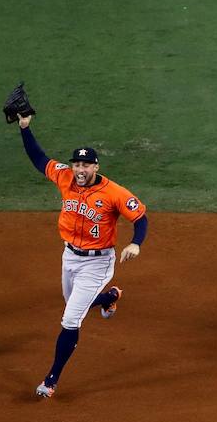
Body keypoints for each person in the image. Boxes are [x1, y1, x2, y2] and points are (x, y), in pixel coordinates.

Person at [17, 114, 148, 397]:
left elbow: (140, 217)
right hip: (70, 256)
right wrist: (24, 128)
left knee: (70, 319)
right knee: (73, 302)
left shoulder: (113, 192)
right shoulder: (65, 177)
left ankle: (51, 380)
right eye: (77, 163)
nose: (80, 169)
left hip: (98, 262)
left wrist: (136, 243)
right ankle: (110, 297)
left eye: (86, 164)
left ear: (95, 166)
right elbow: (39, 159)